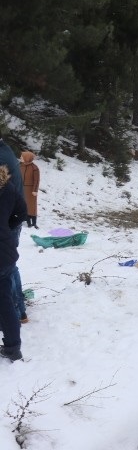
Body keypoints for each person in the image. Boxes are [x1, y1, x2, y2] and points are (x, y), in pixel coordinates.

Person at [0, 165, 28, 362]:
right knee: (5, 301)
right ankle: (13, 348)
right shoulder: (7, 187)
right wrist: (7, 227)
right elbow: (22, 212)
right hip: (5, 252)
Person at [0, 131, 27, 324]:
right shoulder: (4, 150)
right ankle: (19, 310)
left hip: (8, 222)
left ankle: (16, 310)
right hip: (10, 220)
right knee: (9, 266)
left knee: (7, 267)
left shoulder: (1, 157)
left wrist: (7, 226)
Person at [19, 150, 40, 229]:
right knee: (24, 205)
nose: (20, 158)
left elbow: (36, 180)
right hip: (21, 189)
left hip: (31, 190)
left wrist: (35, 190)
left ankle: (34, 223)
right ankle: (27, 221)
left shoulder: (34, 168)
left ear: (27, 158)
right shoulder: (20, 166)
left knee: (31, 206)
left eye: (22, 156)